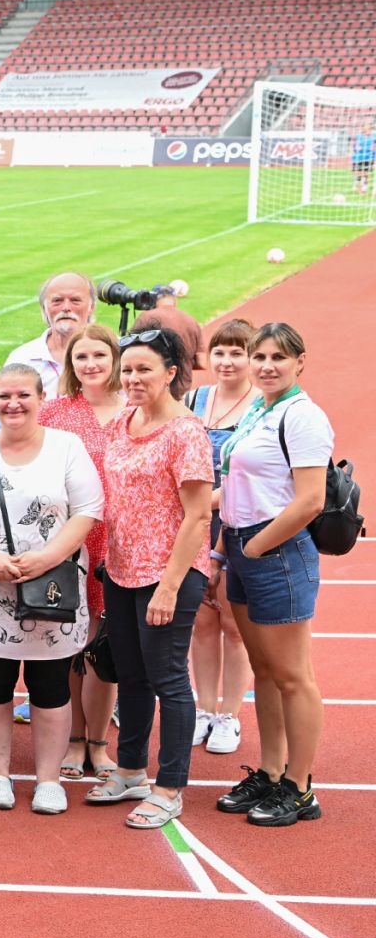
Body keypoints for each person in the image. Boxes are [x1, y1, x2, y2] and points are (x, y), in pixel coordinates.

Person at [0, 364, 103, 815]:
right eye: (5, 396)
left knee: (50, 686)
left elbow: (88, 510)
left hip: (51, 588)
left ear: (40, 398)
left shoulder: (66, 447)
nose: (13, 404)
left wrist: (46, 558)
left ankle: (49, 779)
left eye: (23, 395)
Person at [87, 327, 213, 831]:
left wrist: (169, 585)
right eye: (128, 369)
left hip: (168, 574)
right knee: (130, 675)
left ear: (171, 373)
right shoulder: (123, 420)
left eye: (145, 369)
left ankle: (170, 787)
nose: (133, 378)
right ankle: (131, 770)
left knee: (168, 678)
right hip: (121, 570)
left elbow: (198, 516)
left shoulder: (186, 433)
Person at [214, 322, 333, 827]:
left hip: (276, 550)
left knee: (292, 676)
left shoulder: (303, 417)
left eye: (278, 357)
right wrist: (223, 550)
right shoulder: (260, 410)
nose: (266, 366)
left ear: (299, 362)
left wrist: (256, 547)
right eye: (259, 356)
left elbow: (310, 500)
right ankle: (270, 771)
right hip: (244, 547)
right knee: (263, 671)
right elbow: (235, 487)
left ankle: (300, 787)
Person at [38, 322, 125, 780]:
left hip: (122, 542)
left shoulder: (136, 410)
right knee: (71, 645)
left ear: (115, 359)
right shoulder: (54, 412)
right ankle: (73, 739)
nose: (90, 365)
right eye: (81, 357)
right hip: (70, 540)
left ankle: (99, 743)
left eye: (99, 356)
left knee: (104, 647)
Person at [189, 318, 257, 756]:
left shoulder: (260, 408)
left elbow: (250, 476)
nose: (227, 361)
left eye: (237, 352)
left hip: (235, 525)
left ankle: (229, 714)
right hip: (192, 527)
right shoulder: (193, 399)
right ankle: (204, 709)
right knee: (201, 623)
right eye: (220, 352)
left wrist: (204, 503)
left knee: (233, 624)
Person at [6, 272, 96, 396]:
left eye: (75, 300)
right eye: (57, 301)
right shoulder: (22, 358)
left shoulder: (115, 352)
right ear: (44, 308)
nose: (66, 307)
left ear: (91, 307)